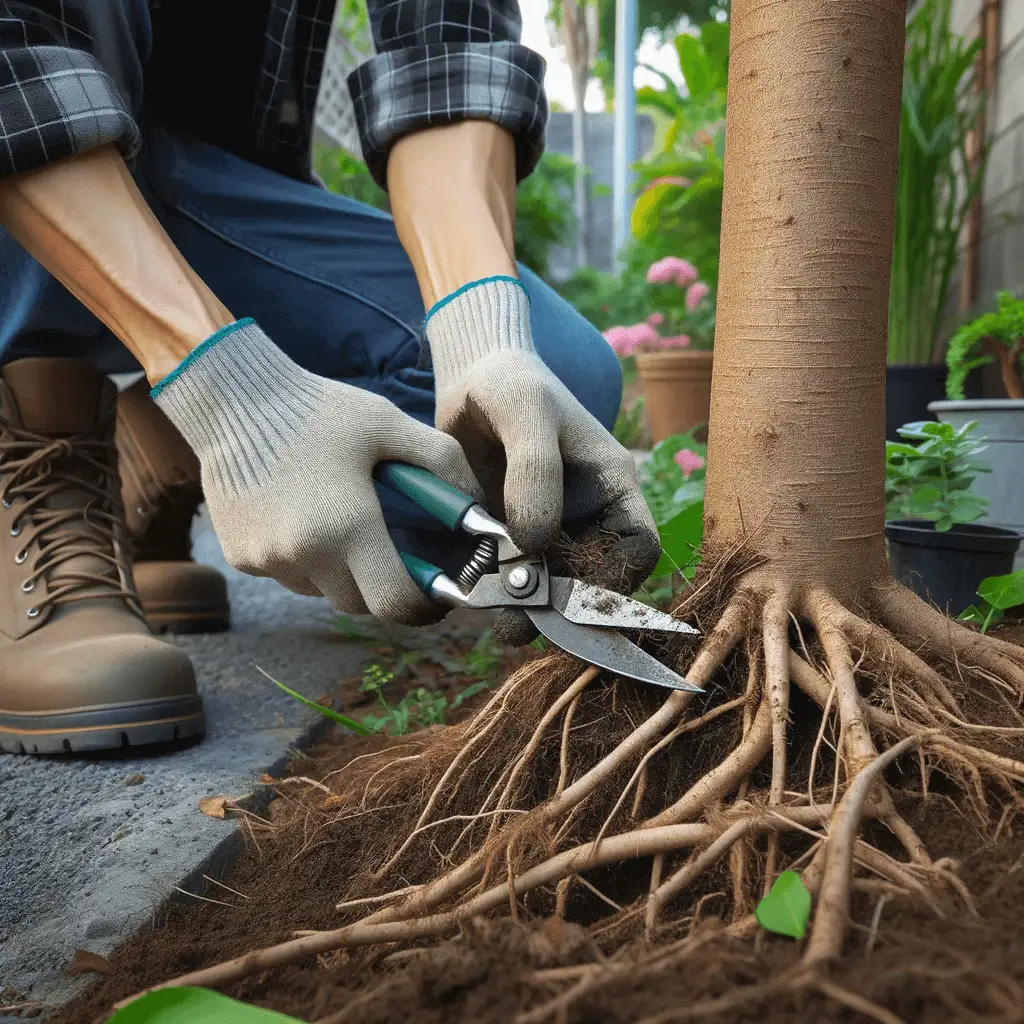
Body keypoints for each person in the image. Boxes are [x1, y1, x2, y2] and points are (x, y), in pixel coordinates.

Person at [0, 0, 660, 756]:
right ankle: (41, 446)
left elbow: (444, 48)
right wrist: (230, 399)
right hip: (25, 127)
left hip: (182, 173)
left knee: (558, 383)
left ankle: (151, 442)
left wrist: (483, 335)